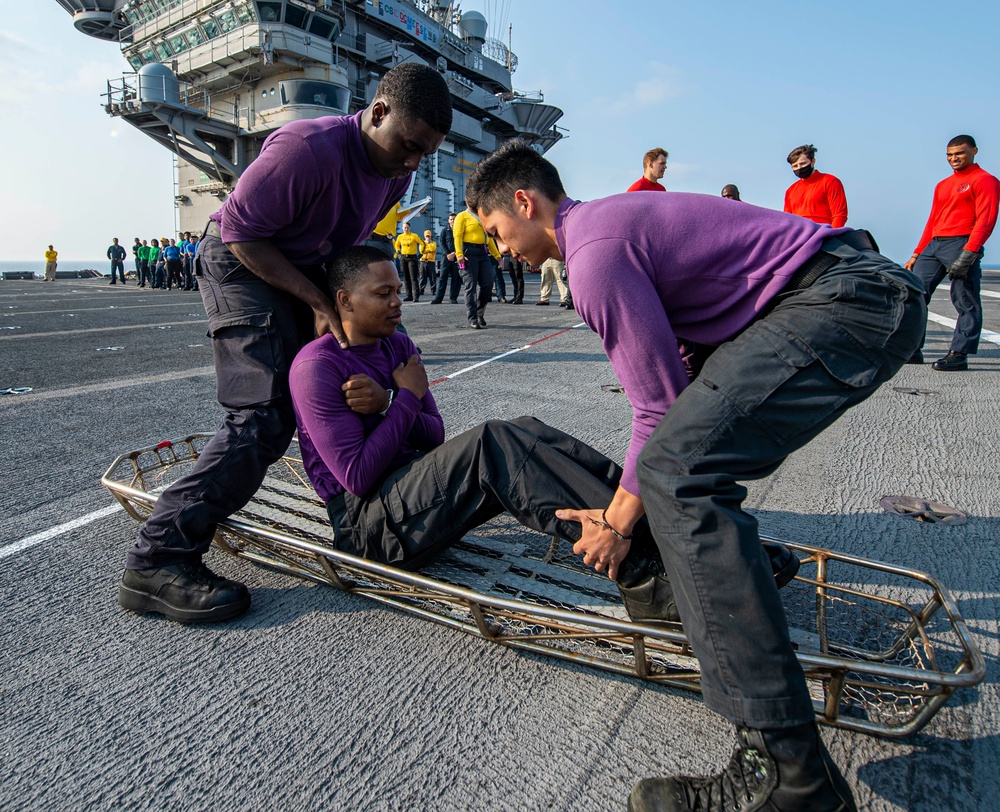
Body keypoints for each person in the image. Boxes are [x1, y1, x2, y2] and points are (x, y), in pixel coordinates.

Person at [468, 139, 926, 812]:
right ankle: (741, 572)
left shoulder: (590, 256)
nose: (501, 249)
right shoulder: (606, 226)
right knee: (684, 466)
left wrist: (617, 528)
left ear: (524, 203)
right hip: (850, 288)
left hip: (842, 301)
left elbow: (657, 411)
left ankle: (787, 774)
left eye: (495, 231)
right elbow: (681, 383)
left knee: (678, 475)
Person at [116, 62, 453, 624]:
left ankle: (361, 502)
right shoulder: (306, 148)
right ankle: (157, 559)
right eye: (409, 145)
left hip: (308, 267)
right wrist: (321, 304)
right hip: (242, 262)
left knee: (352, 366)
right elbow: (242, 234)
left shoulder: (397, 170)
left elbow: (344, 244)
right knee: (263, 416)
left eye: (425, 153)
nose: (414, 163)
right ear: (377, 112)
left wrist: (353, 306)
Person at [289, 245, 670, 612]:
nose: (397, 302)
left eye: (398, 291)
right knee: (493, 444)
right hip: (367, 529)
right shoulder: (318, 367)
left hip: (410, 499)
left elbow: (433, 434)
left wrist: (388, 401)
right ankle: (644, 574)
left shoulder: (398, 346)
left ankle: (647, 521)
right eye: (383, 293)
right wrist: (403, 398)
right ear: (344, 300)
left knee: (526, 429)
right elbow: (357, 476)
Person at [903, 134, 1000, 370]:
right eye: (950, 155)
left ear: (974, 151)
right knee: (914, 294)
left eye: (959, 153)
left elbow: (986, 220)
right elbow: (932, 220)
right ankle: (912, 349)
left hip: (961, 243)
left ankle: (959, 353)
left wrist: (969, 253)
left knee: (964, 300)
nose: (954, 158)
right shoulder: (943, 185)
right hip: (934, 244)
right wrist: (917, 253)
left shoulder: (985, 180)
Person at [453, 203, 501, 329]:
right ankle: (472, 318)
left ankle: (480, 313)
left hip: (483, 253)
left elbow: (489, 238)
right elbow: (457, 236)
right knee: (471, 286)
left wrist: (497, 255)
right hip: (469, 252)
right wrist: (459, 254)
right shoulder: (462, 216)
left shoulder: (483, 216)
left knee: (488, 284)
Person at [783, 144, 848, 227]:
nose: (799, 168)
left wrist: (830, 235)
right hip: (799, 236)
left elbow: (839, 215)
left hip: (824, 232)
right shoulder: (790, 191)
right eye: (795, 166)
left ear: (813, 161)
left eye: (803, 163)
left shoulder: (830, 181)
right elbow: (788, 221)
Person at [430, 213, 462, 304]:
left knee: (456, 278)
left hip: (457, 257)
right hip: (446, 257)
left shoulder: (460, 230)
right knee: (442, 278)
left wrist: (455, 253)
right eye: (451, 219)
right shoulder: (445, 230)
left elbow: (462, 243)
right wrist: (448, 254)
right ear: (448, 220)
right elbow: (442, 243)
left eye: (454, 219)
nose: (453, 221)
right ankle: (438, 298)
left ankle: (453, 298)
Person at [393, 222, 424, 301]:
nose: (406, 229)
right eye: (405, 227)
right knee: (406, 277)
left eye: (407, 227)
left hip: (412, 258)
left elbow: (422, 243)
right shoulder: (400, 237)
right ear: (402, 228)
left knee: (413, 277)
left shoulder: (414, 236)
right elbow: (396, 245)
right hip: (403, 257)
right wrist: (398, 252)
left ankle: (416, 295)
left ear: (410, 228)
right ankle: (409, 295)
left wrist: (420, 254)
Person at [419, 228, 437, 294]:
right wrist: (428, 249)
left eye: (429, 236)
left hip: (431, 261)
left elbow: (433, 248)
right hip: (423, 261)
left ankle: (433, 291)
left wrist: (427, 247)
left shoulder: (434, 243)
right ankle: (421, 290)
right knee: (422, 277)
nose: (428, 237)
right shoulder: (422, 243)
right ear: (424, 236)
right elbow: (421, 251)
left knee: (432, 277)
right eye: (427, 236)